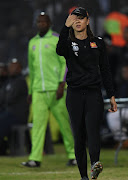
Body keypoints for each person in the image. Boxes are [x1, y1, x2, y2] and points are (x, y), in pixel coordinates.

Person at [56, 7, 117, 180]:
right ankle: (83, 176)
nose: (77, 21)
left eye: (81, 18)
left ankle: (94, 166)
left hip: (93, 94)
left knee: (93, 132)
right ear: (71, 21)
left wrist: (111, 95)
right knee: (79, 136)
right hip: (74, 95)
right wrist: (64, 28)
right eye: (74, 18)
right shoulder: (67, 43)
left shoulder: (98, 42)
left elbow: (105, 70)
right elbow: (59, 50)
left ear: (87, 21)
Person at [22, 12, 76, 167]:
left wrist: (61, 84)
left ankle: (73, 155)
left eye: (44, 22)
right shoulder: (32, 42)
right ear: (36, 23)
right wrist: (31, 91)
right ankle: (35, 158)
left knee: (64, 123)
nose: (41, 24)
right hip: (39, 90)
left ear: (49, 23)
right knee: (38, 125)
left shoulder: (56, 39)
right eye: (39, 22)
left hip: (55, 90)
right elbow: (32, 70)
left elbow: (64, 63)